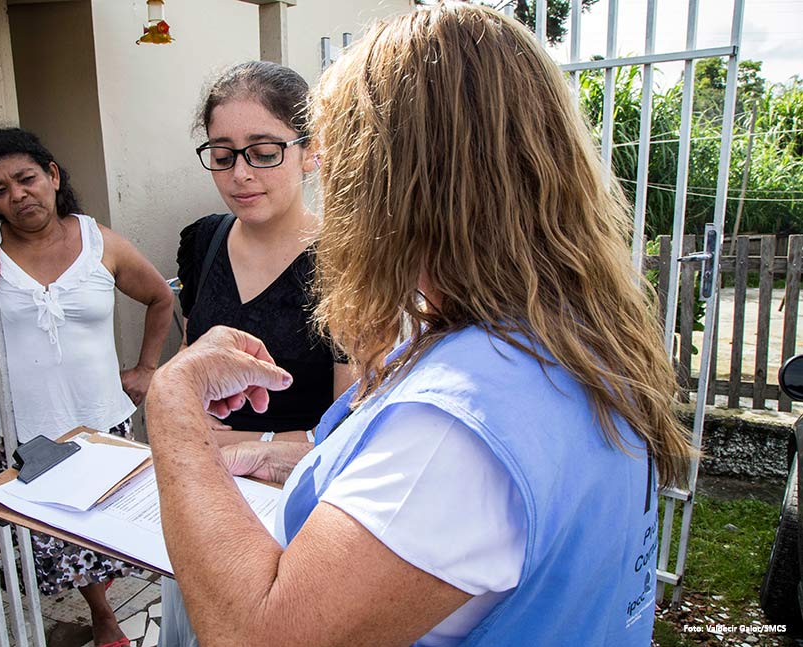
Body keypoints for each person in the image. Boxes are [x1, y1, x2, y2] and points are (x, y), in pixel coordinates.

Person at [145, 5, 692, 647]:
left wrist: (173, 401)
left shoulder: (456, 429)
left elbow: (256, 635)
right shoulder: (563, 337)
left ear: (386, 180)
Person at [0, 128, 174, 646]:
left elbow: (160, 298)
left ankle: (147, 607)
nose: (17, 195)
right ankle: (104, 618)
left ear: (53, 176)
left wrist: (146, 369)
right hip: (24, 429)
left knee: (114, 527)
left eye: (26, 178)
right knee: (58, 539)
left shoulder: (100, 241)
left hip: (103, 421)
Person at [159, 61, 355, 646]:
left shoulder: (344, 263)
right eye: (223, 154)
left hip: (296, 513)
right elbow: (195, 366)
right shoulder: (203, 241)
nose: (240, 173)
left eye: (263, 151)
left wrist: (251, 448)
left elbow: (351, 431)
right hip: (204, 497)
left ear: (310, 152)